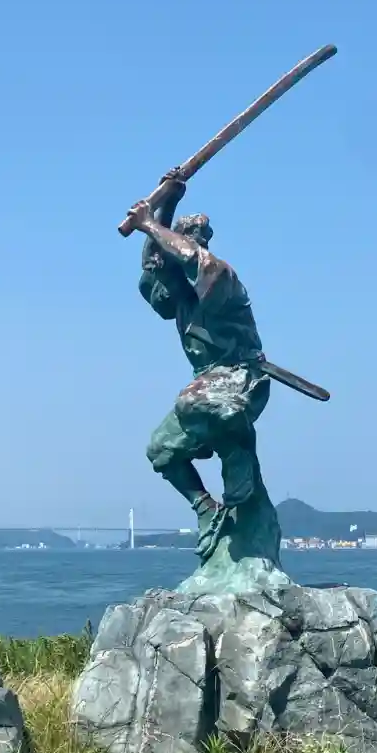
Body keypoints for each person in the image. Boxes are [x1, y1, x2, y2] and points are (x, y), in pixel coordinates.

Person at [127, 177, 270, 561]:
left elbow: (191, 259)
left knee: (195, 402)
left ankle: (238, 456)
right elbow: (154, 270)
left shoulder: (220, 278)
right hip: (206, 382)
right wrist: (166, 206)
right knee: (161, 450)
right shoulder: (179, 296)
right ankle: (206, 509)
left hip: (241, 376)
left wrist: (150, 223)